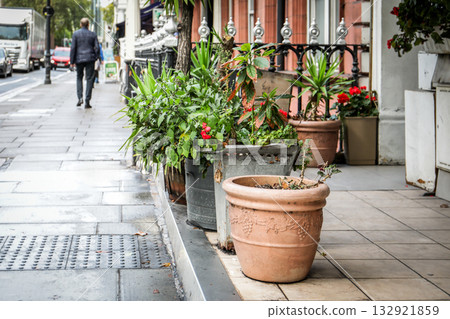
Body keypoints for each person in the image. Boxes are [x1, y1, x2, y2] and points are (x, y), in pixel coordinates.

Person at [70, 18, 99, 109]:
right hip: (90, 59)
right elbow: (97, 48)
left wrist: (72, 61)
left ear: (80, 24)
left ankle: (80, 98)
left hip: (79, 59)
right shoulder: (93, 34)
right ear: (88, 25)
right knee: (90, 79)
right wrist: (95, 57)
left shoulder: (76, 34)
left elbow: (73, 48)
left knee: (79, 77)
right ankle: (87, 101)